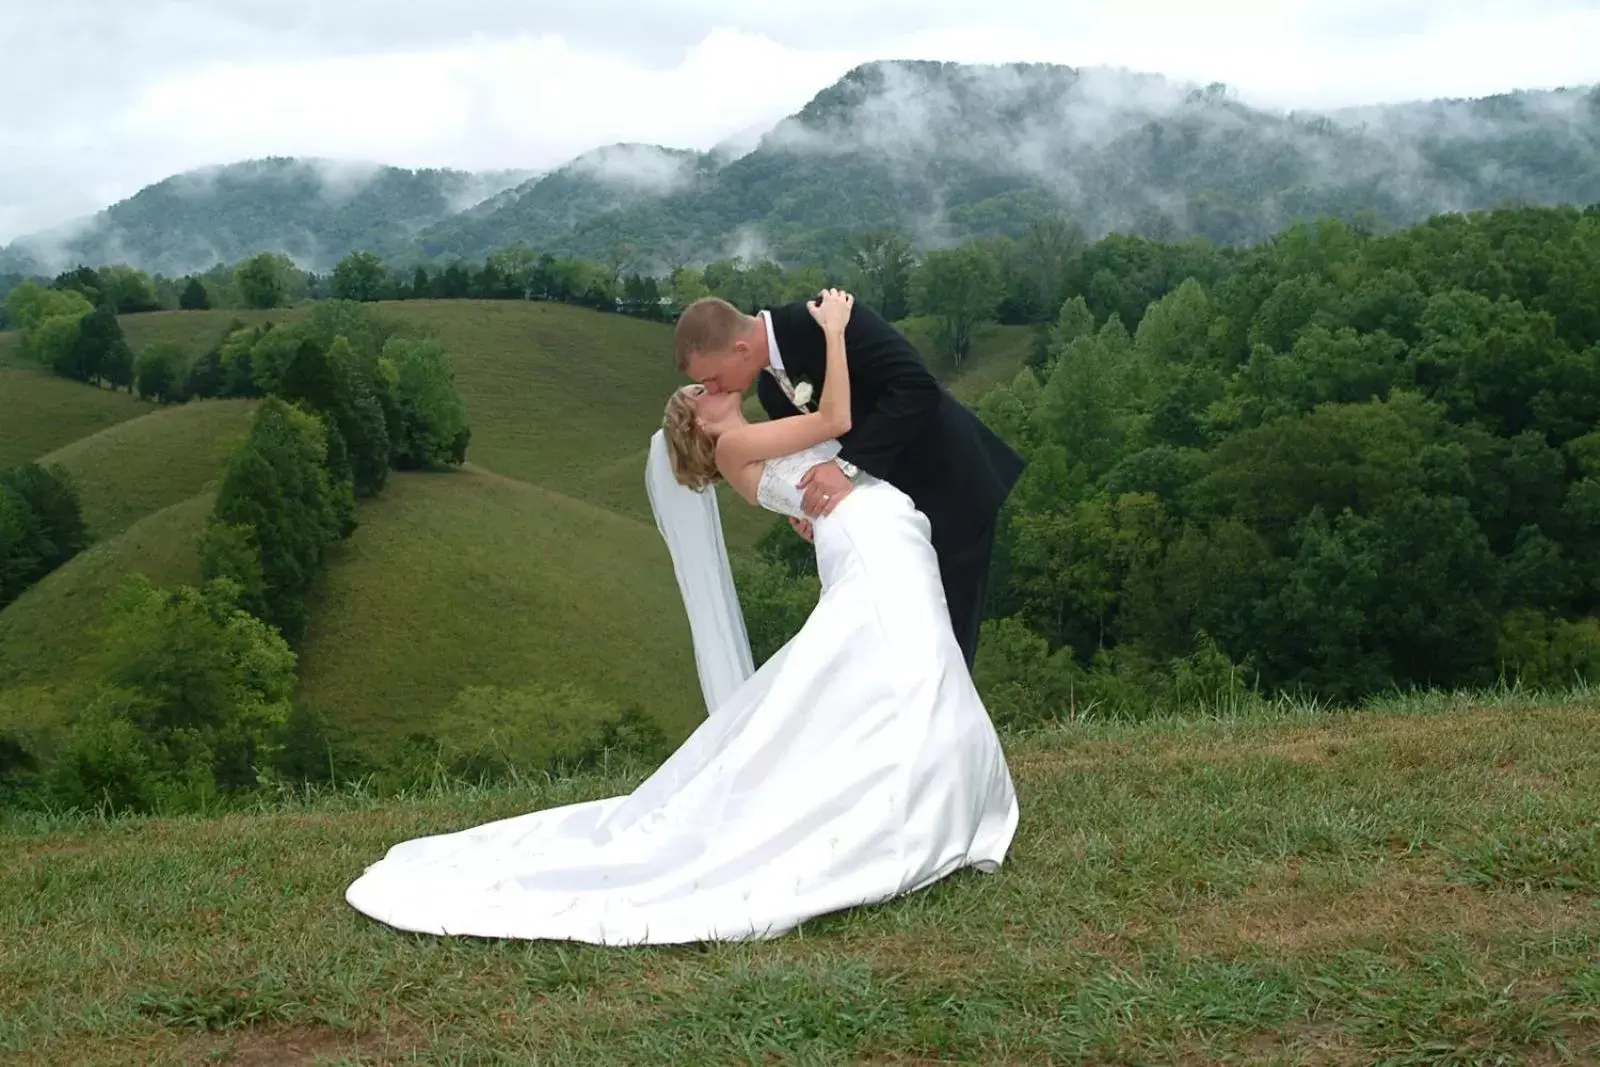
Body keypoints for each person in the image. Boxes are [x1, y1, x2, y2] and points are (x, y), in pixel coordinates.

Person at [343, 290, 1018, 945]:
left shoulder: (759, 421)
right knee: (907, 662)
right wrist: (837, 332)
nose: (715, 389)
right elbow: (836, 420)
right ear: (699, 425)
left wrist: (807, 507)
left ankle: (929, 800)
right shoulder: (734, 447)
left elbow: (828, 449)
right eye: (702, 393)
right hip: (872, 539)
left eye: (707, 380)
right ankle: (924, 810)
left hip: (881, 524)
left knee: (906, 667)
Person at [673, 291, 1025, 669]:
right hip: (882, 515)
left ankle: (950, 725)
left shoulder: (824, 318)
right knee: (905, 640)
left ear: (740, 349)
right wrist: (811, 506)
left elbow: (915, 386)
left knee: (949, 636)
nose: (715, 388)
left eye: (711, 378)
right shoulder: (771, 393)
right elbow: (817, 449)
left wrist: (845, 469)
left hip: (948, 483)